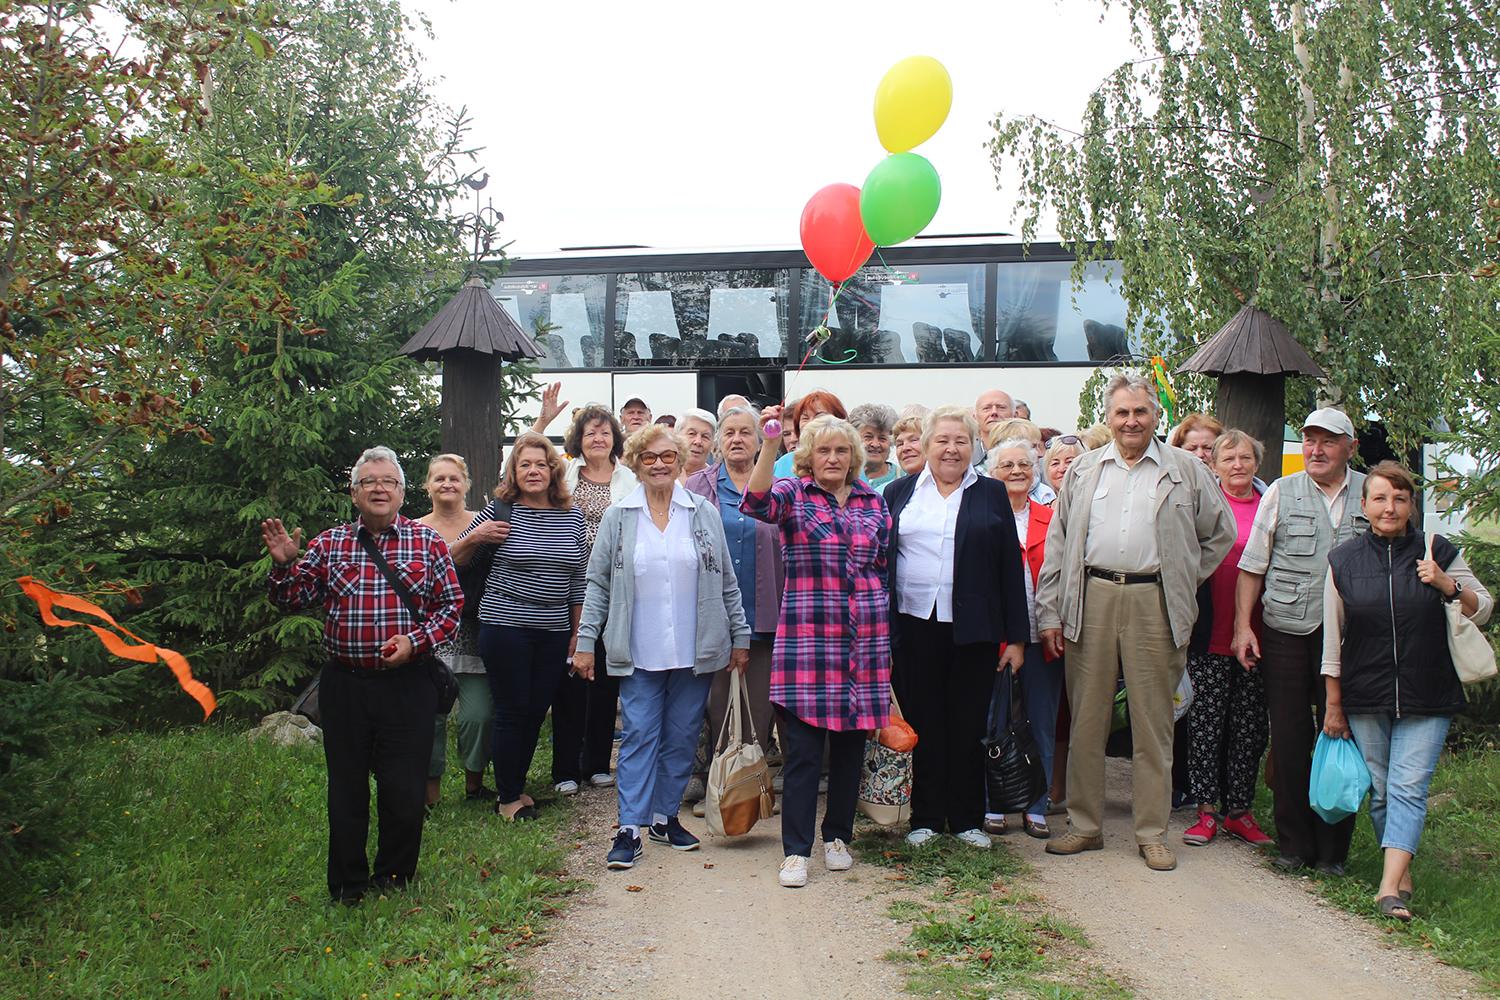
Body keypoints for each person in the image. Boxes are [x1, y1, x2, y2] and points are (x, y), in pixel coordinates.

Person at [1037, 375, 1235, 872]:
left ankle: (1151, 833)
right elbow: (1059, 543)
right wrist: (1050, 611)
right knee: (1087, 719)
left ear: (1155, 417)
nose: (1131, 421)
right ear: (1109, 418)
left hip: (1156, 601)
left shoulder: (1186, 470)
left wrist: (1183, 575)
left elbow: (1221, 532)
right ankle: (1085, 826)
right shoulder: (1084, 470)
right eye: (1122, 413)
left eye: (1140, 412)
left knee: (1153, 722)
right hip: (1091, 596)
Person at [263, 446, 462, 904]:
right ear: (354, 494)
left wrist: (415, 642)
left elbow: (451, 609)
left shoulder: (427, 542)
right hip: (346, 685)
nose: (379, 489)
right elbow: (291, 600)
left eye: (388, 482)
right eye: (369, 482)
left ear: (402, 493)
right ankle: (347, 885)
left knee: (404, 788)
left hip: (409, 684)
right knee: (346, 788)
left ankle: (394, 877)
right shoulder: (329, 544)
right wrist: (285, 565)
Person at [574, 424, 751, 870]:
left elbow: (727, 581)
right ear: (636, 463)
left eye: (667, 456)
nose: (659, 464)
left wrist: (740, 636)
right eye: (649, 457)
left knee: (682, 735)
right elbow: (597, 584)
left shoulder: (702, 512)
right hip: (638, 649)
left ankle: (663, 817)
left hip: (695, 649)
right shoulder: (619, 516)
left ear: (679, 461)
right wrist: (585, 643)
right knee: (639, 735)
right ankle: (629, 828)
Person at [1321, 462, 1492, 922]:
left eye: (1399, 499)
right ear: (1364, 505)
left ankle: (1387, 889)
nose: (1389, 508)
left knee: (1408, 788)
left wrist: (1447, 584)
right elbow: (1332, 640)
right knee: (1381, 792)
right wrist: (1334, 704)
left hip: (1428, 691)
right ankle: (1401, 872)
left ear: (1411, 504)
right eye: (1380, 498)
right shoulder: (1343, 561)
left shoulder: (1437, 550)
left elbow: (1484, 609)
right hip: (1365, 693)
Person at [744, 409, 892, 888]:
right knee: (805, 754)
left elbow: (882, 567)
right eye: (824, 450)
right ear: (808, 455)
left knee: (849, 751)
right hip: (808, 642)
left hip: (865, 642)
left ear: (854, 457)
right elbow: (756, 501)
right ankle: (795, 851)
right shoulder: (793, 493)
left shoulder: (873, 501)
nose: (833, 458)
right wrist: (769, 442)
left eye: (842, 450)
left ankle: (838, 838)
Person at [884, 409, 1028, 850]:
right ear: (926, 445)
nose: (951, 449)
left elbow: (1010, 567)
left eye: (961, 441)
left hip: (974, 629)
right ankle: (926, 817)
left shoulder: (991, 492)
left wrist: (1016, 638)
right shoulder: (899, 491)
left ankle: (967, 819)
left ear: (974, 447)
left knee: (967, 725)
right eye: (942, 440)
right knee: (924, 721)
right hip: (913, 626)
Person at [1232, 407, 1367, 874]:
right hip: (1288, 629)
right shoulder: (1281, 492)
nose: (1316, 450)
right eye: (1310, 440)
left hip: (1350, 638)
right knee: (1289, 739)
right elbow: (1253, 566)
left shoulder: (1370, 491)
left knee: (1341, 734)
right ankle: (1293, 846)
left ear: (1350, 447)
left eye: (1328, 441)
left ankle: (1333, 852)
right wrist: (1243, 627)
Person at [456, 432, 587, 821]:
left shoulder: (572, 516)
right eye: (524, 464)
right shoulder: (499, 511)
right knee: (512, 709)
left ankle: (514, 784)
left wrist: (577, 633)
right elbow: (451, 558)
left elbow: (578, 580)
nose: (533, 471)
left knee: (535, 709)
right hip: (505, 626)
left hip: (554, 630)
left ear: (553, 470)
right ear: (513, 472)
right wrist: (476, 535)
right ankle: (508, 797)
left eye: (540, 464)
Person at [684, 406, 785, 801]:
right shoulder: (698, 485)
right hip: (713, 614)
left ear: (760, 441)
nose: (737, 439)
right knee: (715, 705)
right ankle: (716, 788)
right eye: (729, 433)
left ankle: (746, 791)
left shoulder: (778, 485)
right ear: (717, 442)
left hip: (765, 613)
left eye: (746, 432)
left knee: (758, 708)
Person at [1180, 431, 1274, 848]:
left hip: (1258, 633)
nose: (1238, 465)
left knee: (1249, 727)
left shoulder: (1270, 504)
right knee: (1206, 724)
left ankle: (1240, 811)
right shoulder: (1203, 504)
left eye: (1245, 458)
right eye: (1228, 458)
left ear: (1257, 463)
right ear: (1214, 465)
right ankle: (1205, 810)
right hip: (1209, 631)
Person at [540, 404, 638, 794]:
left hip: (616, 589)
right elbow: (514, 473)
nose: (598, 438)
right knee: (569, 676)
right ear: (578, 440)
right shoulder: (563, 474)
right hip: (569, 587)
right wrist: (542, 421)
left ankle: (597, 763)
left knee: (606, 679)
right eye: (590, 432)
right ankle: (565, 767)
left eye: (604, 432)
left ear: (615, 438)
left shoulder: (630, 478)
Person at [987, 437, 1063, 837]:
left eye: (1025, 464)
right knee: (993, 723)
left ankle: (1037, 804)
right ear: (991, 473)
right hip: (994, 639)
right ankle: (993, 803)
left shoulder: (1053, 518)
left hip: (1043, 638)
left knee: (1041, 722)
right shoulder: (983, 515)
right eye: (1007, 465)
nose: (1017, 471)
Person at [418, 454, 493, 808]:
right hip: (429, 640)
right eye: (439, 478)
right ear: (427, 486)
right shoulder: (413, 529)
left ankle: (474, 785)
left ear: (466, 485)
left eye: (454, 478)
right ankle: (429, 796)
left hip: (474, 637)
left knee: (479, 716)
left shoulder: (483, 522)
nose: (447, 484)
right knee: (430, 719)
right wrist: (467, 542)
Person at [772, 389, 847, 479]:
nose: (810, 423)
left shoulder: (850, 459)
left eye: (819, 416)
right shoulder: (784, 463)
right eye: (805, 418)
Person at [849, 402, 901, 490]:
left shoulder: (902, 477)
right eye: (868, 437)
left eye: (882, 438)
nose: (875, 444)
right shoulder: (845, 477)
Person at [972, 389, 1015, 469]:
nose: (994, 412)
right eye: (986, 408)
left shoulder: (1029, 453)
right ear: (975, 417)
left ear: (1014, 416)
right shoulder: (966, 456)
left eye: (1001, 407)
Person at [676, 407, 717, 480]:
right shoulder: (662, 476)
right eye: (692, 434)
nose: (698, 441)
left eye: (705, 436)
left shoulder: (717, 482)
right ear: (677, 437)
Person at [892, 413, 927, 478]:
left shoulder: (946, 481)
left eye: (913, 440)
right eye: (900, 444)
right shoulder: (895, 485)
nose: (905, 448)